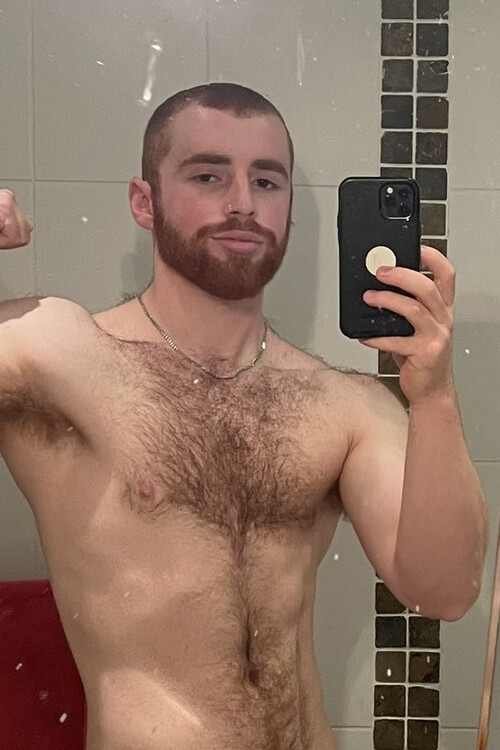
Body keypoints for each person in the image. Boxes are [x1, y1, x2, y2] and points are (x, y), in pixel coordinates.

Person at [0, 82, 488, 750]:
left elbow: (445, 591)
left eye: (266, 181)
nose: (242, 203)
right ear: (144, 201)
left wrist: (434, 397)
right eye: (208, 175)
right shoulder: (55, 353)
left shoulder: (341, 403)